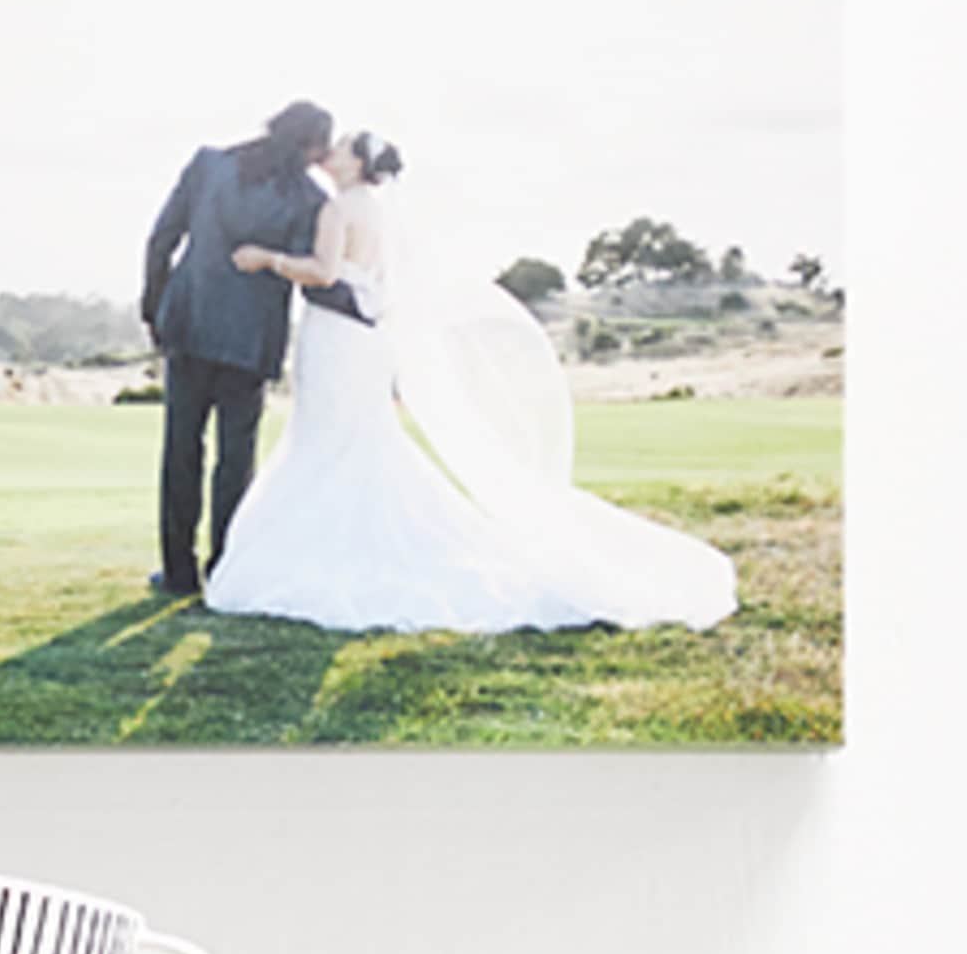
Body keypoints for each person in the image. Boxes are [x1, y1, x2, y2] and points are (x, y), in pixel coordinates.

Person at [203, 131, 743, 640]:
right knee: (353, 442)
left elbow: (322, 273)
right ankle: (343, 547)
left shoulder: (338, 208)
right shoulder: (375, 212)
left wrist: (265, 259)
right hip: (364, 343)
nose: (330, 151)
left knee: (328, 441)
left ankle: (324, 555)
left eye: (342, 147)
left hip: (338, 340)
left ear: (359, 163)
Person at [136, 98, 334, 599]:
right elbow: (314, 276)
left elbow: (161, 240)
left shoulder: (208, 165)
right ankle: (225, 570)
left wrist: (156, 310)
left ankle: (178, 574)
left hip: (188, 323)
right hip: (251, 339)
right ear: (311, 147)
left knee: (181, 451)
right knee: (235, 460)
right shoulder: (310, 199)